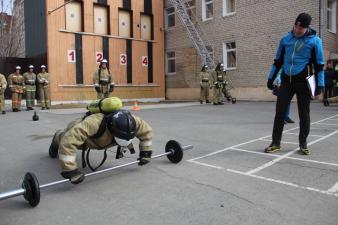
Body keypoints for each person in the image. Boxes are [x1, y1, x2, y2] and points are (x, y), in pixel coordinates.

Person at [48, 99, 153, 184]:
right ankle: (56, 138)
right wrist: (70, 170)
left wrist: (146, 152)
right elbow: (68, 142)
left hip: (104, 139)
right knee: (64, 138)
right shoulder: (93, 123)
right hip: (88, 139)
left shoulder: (134, 121)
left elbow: (146, 133)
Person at [266, 13, 325, 155]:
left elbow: (319, 66)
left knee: (304, 114)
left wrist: (320, 85)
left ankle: (303, 143)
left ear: (307, 27)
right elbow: (278, 61)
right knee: (280, 112)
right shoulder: (285, 39)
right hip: (286, 80)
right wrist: (270, 78)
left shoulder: (315, 41)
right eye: (296, 26)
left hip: (303, 82)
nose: (297, 30)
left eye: (301, 28)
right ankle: (275, 143)